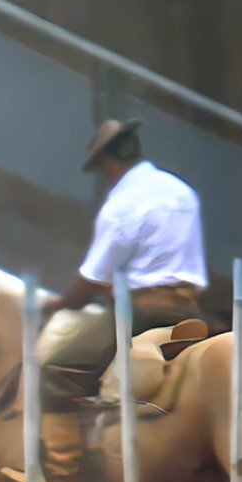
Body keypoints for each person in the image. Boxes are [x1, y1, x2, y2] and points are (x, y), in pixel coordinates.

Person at [37, 120, 207, 407]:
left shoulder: (121, 206)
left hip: (140, 313)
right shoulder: (182, 191)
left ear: (109, 165)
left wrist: (58, 306)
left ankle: (68, 449)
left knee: (50, 367)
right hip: (189, 308)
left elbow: (91, 280)